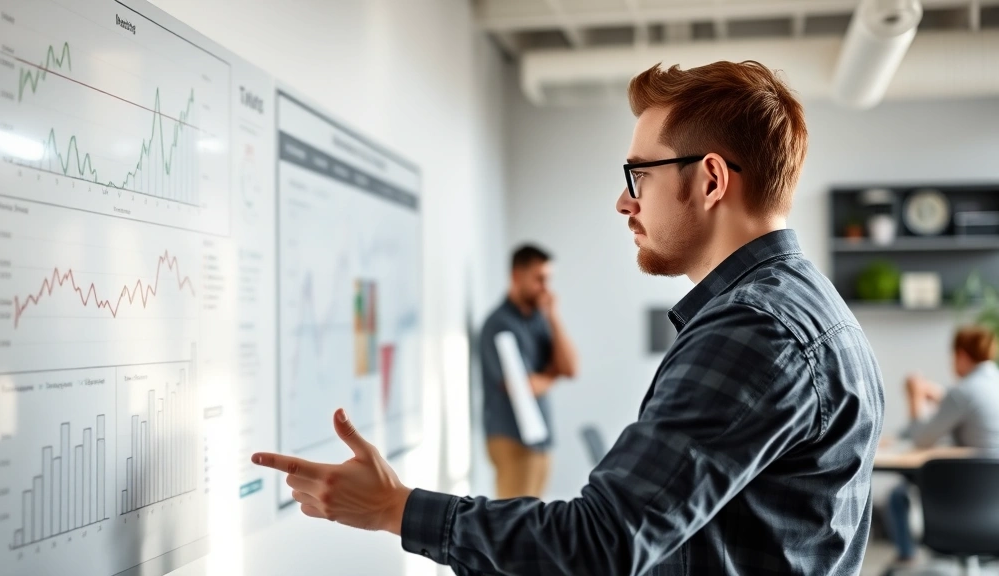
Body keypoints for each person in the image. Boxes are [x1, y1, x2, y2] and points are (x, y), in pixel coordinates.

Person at [252, 60, 885, 575]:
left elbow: (598, 545)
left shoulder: (755, 331)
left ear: (712, 180)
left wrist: (394, 508)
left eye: (638, 175)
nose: (624, 202)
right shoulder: (812, 310)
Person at [885, 326, 999, 568]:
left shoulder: (963, 391)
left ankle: (907, 558)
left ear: (961, 356)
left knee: (898, 495)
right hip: (993, 502)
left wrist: (915, 397)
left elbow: (921, 439)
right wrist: (940, 396)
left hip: (966, 496)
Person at [479, 244, 578, 499]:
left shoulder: (539, 320)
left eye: (548, 279)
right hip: (511, 438)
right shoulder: (499, 324)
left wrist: (553, 316)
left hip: (539, 438)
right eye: (539, 279)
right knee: (512, 518)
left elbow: (570, 368)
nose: (546, 287)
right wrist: (553, 374)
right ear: (516, 276)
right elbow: (523, 387)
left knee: (533, 517)